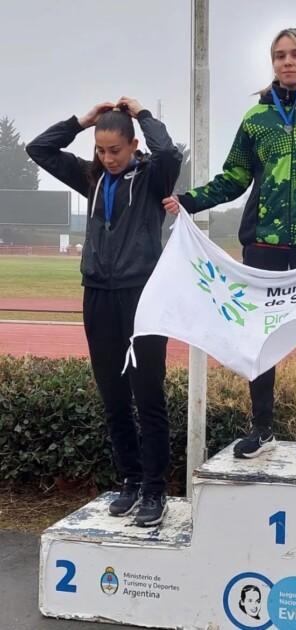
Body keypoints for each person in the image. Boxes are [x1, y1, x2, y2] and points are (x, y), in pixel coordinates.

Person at [163, 28, 296, 464]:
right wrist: (187, 201)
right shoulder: (256, 119)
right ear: (273, 63)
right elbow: (234, 178)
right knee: (260, 338)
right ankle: (262, 429)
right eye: (280, 55)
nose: (287, 61)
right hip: (263, 247)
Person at [26, 98, 182, 527]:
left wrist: (144, 116)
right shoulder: (91, 176)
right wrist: (82, 121)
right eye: (101, 149)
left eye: (115, 150)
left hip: (141, 296)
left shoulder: (152, 178)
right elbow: (39, 149)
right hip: (97, 293)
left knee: (147, 396)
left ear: (133, 146)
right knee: (113, 397)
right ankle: (131, 480)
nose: (108, 158)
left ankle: (155, 490)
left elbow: (170, 153)